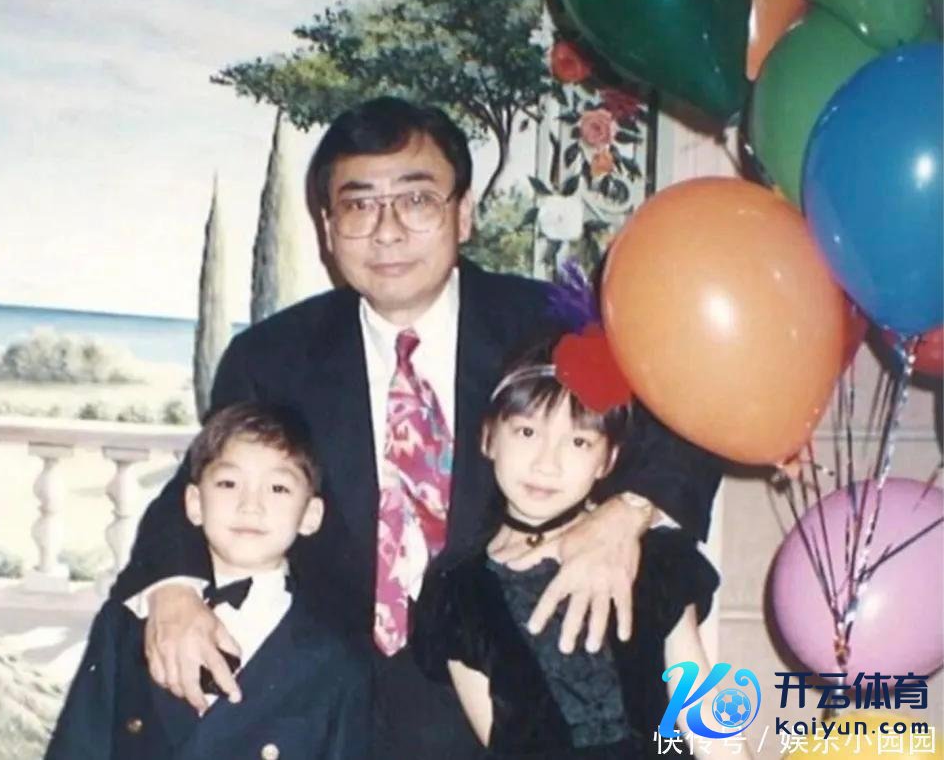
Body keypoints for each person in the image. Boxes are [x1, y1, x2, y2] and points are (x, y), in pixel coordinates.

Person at [112, 97, 723, 758]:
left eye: (417, 200)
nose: (388, 231)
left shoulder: (550, 327)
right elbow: (198, 486)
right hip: (336, 708)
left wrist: (623, 519)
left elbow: (683, 427)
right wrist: (173, 595)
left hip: (516, 691)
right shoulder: (272, 357)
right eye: (359, 205)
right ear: (328, 227)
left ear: (464, 213)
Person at [412, 331, 749, 759]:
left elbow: (706, 722)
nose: (546, 463)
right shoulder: (456, 591)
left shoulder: (652, 558)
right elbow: (498, 743)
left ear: (607, 459)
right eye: (527, 431)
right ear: (489, 437)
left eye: (578, 442)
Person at [45, 403, 371, 760]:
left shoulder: (337, 658)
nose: (250, 505)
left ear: (311, 515)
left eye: (278, 488)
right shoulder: (125, 625)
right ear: (194, 503)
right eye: (229, 483)